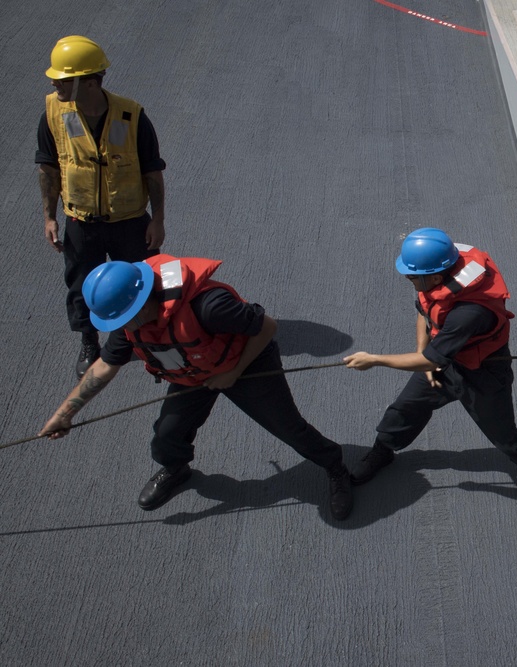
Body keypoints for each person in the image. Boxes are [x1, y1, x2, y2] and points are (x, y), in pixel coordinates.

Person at [38, 255, 353, 520]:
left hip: (245, 364)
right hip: (192, 373)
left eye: (124, 319)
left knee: (289, 428)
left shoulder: (210, 306)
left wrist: (233, 372)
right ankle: (176, 469)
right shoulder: (129, 323)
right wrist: (65, 413)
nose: (120, 329)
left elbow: (267, 327)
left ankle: (335, 467)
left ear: (142, 300)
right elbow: (105, 366)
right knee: (167, 434)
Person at [344, 228, 517, 518]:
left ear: (437, 277)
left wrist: (375, 359)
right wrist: (421, 353)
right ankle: (384, 449)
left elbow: (430, 360)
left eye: (412, 276)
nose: (408, 280)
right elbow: (424, 312)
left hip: (483, 373)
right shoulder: (436, 273)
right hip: (443, 358)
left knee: (505, 437)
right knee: (406, 407)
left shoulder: (469, 312)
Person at [36, 36, 167, 379]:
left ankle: (145, 341)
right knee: (82, 286)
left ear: (90, 82)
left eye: (63, 80)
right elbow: (48, 166)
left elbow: (152, 170)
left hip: (130, 221)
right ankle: (89, 342)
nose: (54, 84)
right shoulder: (53, 111)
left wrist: (160, 220)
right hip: (81, 221)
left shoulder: (132, 115)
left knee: (142, 283)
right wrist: (50, 216)